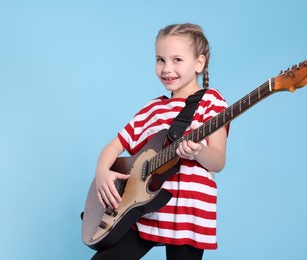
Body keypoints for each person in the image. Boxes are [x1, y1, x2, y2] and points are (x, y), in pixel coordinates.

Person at [92, 23, 229, 260]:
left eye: (177, 59)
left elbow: (217, 161)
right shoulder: (152, 109)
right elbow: (114, 146)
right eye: (160, 59)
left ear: (199, 63)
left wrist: (198, 152)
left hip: (189, 214)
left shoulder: (212, 102)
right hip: (144, 211)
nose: (166, 68)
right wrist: (102, 171)